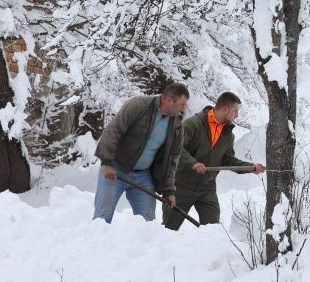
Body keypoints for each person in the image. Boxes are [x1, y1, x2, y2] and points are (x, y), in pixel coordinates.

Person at [164, 92, 265, 230]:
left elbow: (228, 160)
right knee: (168, 230)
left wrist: (250, 167)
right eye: (235, 111)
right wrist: (193, 163)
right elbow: (175, 148)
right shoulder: (193, 124)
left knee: (213, 232)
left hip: (207, 189)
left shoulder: (228, 135)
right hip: (181, 186)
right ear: (225, 109)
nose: (237, 115)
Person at [93, 83, 189, 222]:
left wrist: (169, 191)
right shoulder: (139, 106)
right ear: (168, 100)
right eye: (182, 104)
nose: (183, 108)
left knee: (148, 222)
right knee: (102, 216)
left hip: (144, 176)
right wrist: (107, 163)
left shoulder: (176, 126)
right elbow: (113, 131)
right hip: (116, 169)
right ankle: (97, 242)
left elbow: (172, 160)